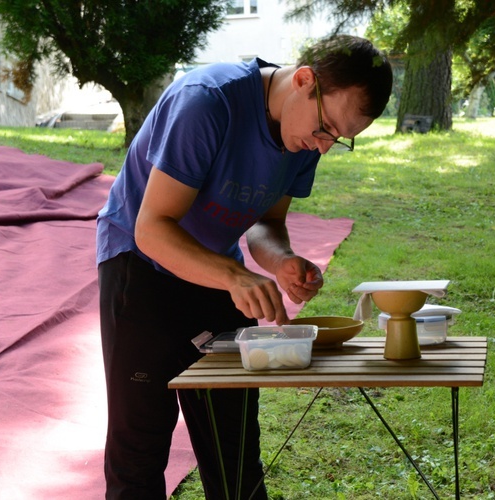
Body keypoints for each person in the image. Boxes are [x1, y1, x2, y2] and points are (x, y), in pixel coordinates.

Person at [96, 34, 393, 499]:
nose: (324, 147)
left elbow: (266, 224)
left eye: (340, 139)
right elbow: (152, 229)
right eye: (326, 128)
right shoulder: (208, 103)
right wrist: (235, 276)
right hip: (140, 265)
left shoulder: (302, 139)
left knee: (233, 451)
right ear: (303, 80)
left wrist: (281, 261)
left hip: (216, 268)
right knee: (140, 450)